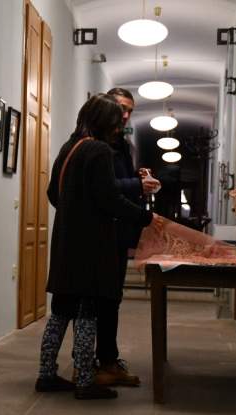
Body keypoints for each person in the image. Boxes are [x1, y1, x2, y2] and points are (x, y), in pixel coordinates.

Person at [35, 93, 157, 400]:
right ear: (104, 122)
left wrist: (74, 210)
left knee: (61, 310)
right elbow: (109, 199)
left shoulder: (69, 147)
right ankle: (85, 381)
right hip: (91, 244)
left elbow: (53, 193)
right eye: (115, 122)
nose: (118, 128)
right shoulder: (99, 150)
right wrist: (145, 217)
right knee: (88, 312)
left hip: (65, 240)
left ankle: (46, 375)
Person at [81, 88, 161, 387]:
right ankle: (87, 365)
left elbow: (115, 183)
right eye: (120, 108)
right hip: (98, 232)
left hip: (117, 231)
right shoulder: (94, 144)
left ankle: (107, 360)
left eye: (130, 110)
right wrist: (137, 187)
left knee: (111, 299)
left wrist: (137, 178)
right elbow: (105, 189)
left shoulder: (121, 144)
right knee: (94, 301)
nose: (125, 115)